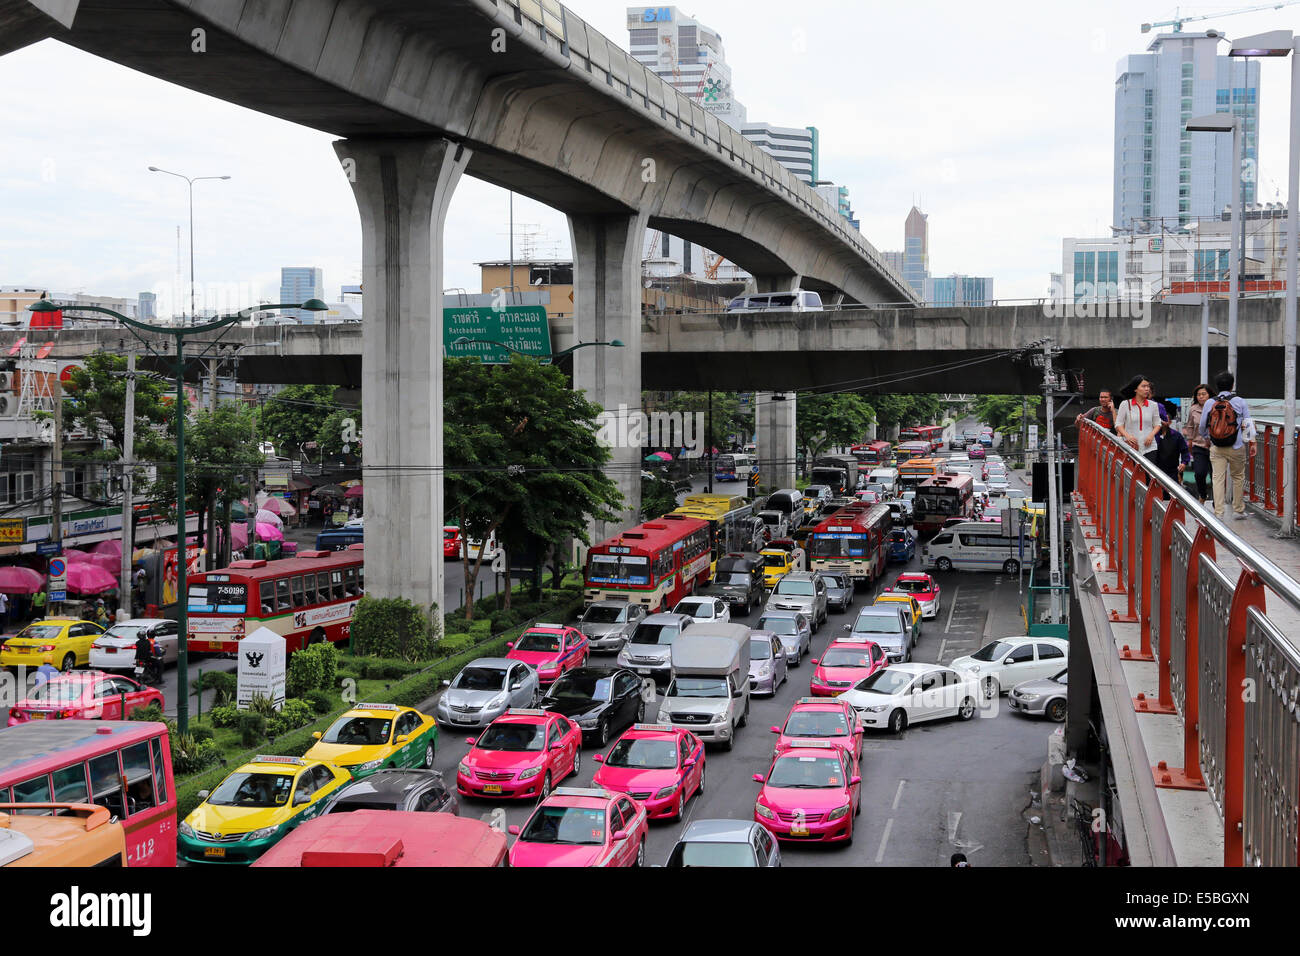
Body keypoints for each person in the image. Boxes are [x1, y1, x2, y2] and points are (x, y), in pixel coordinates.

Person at [1199, 369, 1257, 520]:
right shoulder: (1239, 401)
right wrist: (1252, 442)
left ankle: (1219, 512)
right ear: (1232, 385)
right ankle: (1238, 510)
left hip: (1217, 446)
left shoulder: (1210, 402)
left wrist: (1208, 437)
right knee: (1238, 477)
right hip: (1236, 446)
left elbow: (1202, 426)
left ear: (1217, 386)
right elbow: (1248, 422)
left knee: (1218, 478)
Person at [1115, 376, 1162, 463]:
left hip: (1150, 447)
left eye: (1148, 386)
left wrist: (1151, 435)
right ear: (1135, 389)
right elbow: (1118, 424)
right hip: (1130, 446)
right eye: (1143, 386)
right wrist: (1127, 436)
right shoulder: (1125, 404)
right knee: (1132, 475)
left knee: (1148, 475)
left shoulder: (1153, 405)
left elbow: (1157, 424)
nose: (1147, 389)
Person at [1183, 384, 1213, 505]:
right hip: (1198, 445)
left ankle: (1217, 502)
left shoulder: (1215, 407)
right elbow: (1190, 425)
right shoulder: (1193, 409)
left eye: (1203, 394)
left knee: (1216, 475)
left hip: (1214, 446)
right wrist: (1190, 440)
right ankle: (1202, 494)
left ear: (1209, 395)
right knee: (1199, 473)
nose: (1201, 397)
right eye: (1198, 395)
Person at [1153, 407, 1191, 486]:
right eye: (1161, 420)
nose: (1163, 422)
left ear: (1170, 422)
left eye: (1165, 420)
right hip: (1156, 470)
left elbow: (1185, 451)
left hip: (1173, 471)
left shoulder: (1177, 436)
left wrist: (1184, 463)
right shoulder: (1153, 435)